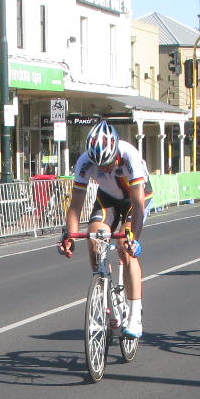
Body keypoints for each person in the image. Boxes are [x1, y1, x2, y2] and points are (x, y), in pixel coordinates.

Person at [59, 120, 151, 339]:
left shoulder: (130, 156)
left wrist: (133, 239)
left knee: (123, 245)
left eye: (107, 164)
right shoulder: (84, 162)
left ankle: (135, 313)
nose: (103, 169)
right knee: (94, 238)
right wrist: (69, 236)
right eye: (98, 165)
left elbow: (138, 205)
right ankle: (105, 294)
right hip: (107, 199)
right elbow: (76, 205)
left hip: (135, 198)